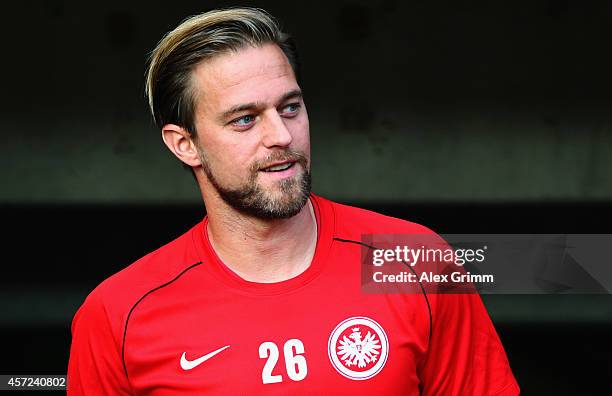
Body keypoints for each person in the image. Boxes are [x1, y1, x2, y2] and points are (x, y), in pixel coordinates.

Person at [68, 7, 519, 395]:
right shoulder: (117, 314)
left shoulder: (415, 261)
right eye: (245, 120)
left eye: (290, 108)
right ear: (185, 144)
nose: (282, 136)